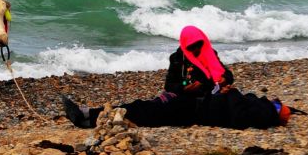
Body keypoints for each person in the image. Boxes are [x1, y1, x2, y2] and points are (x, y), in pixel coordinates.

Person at [63, 25, 292, 130]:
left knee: (145, 113)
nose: (195, 49)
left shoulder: (210, 55)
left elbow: (225, 75)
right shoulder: (177, 58)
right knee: (142, 108)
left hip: (198, 107)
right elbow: (170, 85)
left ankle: (90, 117)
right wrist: (185, 89)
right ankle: (89, 114)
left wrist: (223, 81)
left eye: (198, 45)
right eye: (191, 46)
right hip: (181, 99)